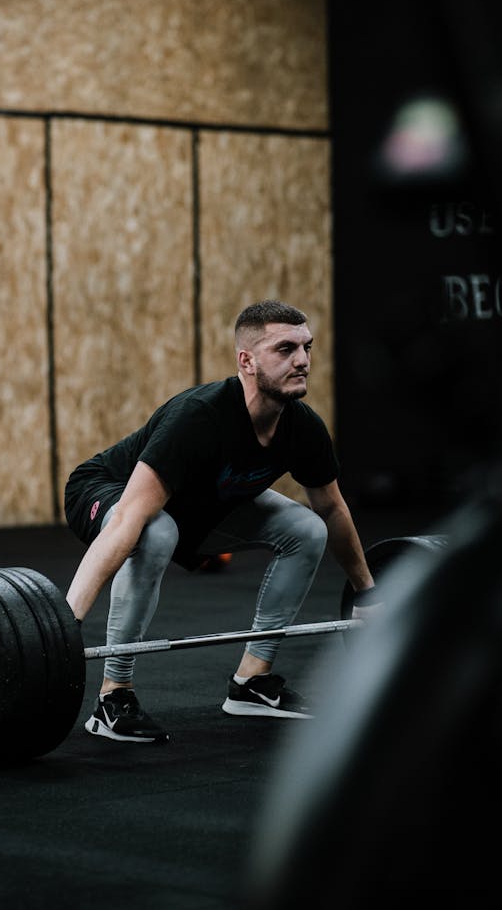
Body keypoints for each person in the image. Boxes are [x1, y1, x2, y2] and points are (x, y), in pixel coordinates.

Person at [64, 300, 379, 744]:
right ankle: (113, 695)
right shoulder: (200, 418)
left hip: (199, 505)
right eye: (285, 349)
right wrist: (65, 623)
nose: (303, 360)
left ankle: (251, 682)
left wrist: (368, 592)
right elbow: (128, 519)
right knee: (156, 531)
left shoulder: (302, 429)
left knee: (307, 529)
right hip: (108, 489)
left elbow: (333, 509)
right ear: (246, 361)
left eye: (307, 347)